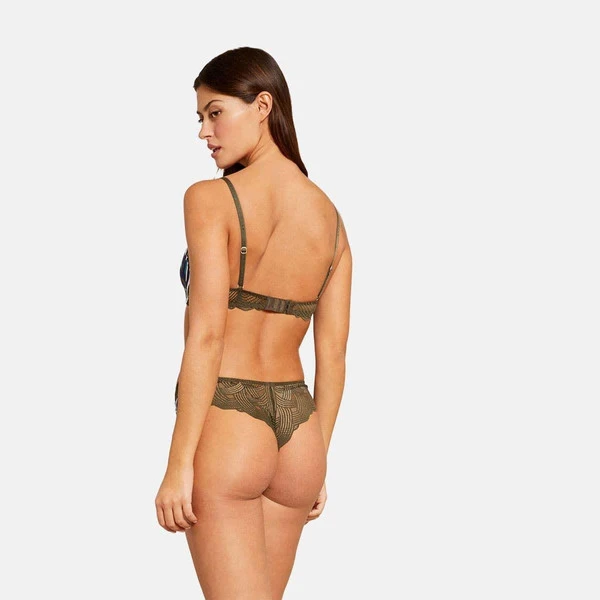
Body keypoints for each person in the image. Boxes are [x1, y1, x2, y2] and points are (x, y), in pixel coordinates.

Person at [155, 46, 352, 600]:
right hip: (300, 433)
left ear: (263, 106)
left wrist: (178, 464)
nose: (204, 132)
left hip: (229, 424)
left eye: (215, 112)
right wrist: (317, 460)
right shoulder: (332, 220)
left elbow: (207, 335)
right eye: (200, 117)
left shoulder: (210, 199)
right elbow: (333, 355)